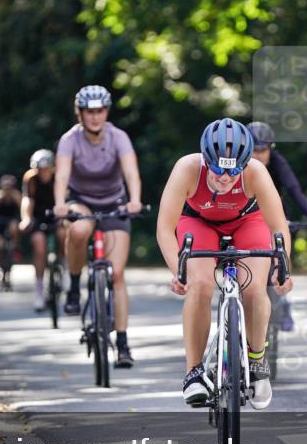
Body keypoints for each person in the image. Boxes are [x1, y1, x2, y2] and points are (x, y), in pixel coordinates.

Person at [156, 117, 292, 409]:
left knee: (255, 288)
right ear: (206, 159)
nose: (225, 178)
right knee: (201, 285)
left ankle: (256, 361)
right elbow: (165, 228)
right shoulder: (187, 168)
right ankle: (193, 372)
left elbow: (278, 225)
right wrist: (177, 269)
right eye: (217, 169)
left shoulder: (255, 172)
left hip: (247, 221)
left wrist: (283, 266)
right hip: (198, 222)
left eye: (233, 172)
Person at [53, 85, 144, 368]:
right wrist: (59, 203)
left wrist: (136, 200)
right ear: (80, 113)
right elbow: (62, 174)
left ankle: (124, 343)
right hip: (81, 201)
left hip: (115, 202)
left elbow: (131, 171)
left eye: (100, 111)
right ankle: (75, 285)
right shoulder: (70, 140)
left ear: (107, 111)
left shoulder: (119, 137)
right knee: (78, 230)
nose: (95, 117)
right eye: (89, 112)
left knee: (116, 275)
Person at [248, 121, 307, 330]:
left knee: (280, 244)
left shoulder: (277, 162)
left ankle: (282, 302)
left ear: (270, 149)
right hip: (244, 216)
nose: (257, 156)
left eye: (262, 150)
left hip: (273, 213)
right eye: (253, 151)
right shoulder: (238, 165)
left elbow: (293, 188)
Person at [21, 149, 65, 311]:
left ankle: (64, 266)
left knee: (63, 234)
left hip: (57, 214)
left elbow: (65, 198)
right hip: (39, 217)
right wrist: (26, 218)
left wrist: (64, 216)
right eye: (40, 169)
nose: (43, 172)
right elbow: (27, 200)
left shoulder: (59, 177)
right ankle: (39, 291)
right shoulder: (30, 178)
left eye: (46, 169)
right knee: (39, 246)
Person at [0, 174, 23, 284]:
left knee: (14, 227)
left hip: (12, 221)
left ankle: (16, 248)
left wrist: (21, 221)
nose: (7, 190)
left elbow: (23, 209)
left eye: (9, 188)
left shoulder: (16, 196)